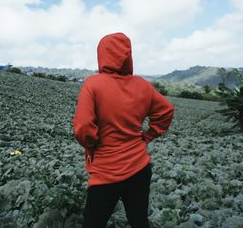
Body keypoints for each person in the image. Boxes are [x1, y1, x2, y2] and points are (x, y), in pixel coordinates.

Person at [73, 32, 174, 228]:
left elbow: (83, 127)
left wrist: (93, 145)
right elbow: (166, 111)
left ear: (101, 54)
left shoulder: (93, 84)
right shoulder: (142, 85)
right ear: (128, 56)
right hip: (140, 168)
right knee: (139, 221)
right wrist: (148, 136)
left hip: (105, 172)